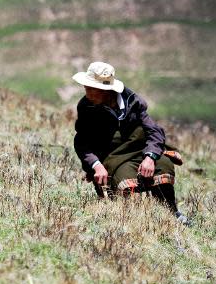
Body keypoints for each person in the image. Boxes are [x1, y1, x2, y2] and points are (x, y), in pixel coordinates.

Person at [72, 61, 190, 225]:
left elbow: (154, 130)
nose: (87, 93)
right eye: (86, 88)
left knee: (163, 164)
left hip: (140, 150)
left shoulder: (132, 102)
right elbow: (81, 141)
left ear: (106, 91)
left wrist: (149, 157)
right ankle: (129, 222)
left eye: (91, 89)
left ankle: (172, 213)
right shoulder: (86, 107)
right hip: (113, 157)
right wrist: (96, 165)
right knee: (124, 180)